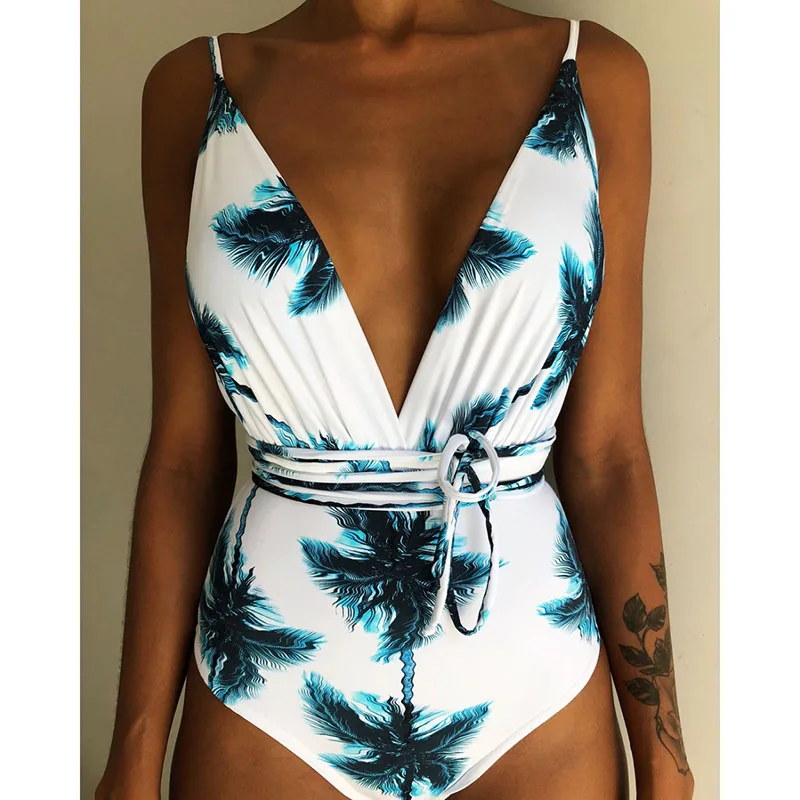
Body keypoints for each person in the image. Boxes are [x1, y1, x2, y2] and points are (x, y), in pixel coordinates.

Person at [96, 2, 694, 799]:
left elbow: (608, 457)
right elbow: (183, 462)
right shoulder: (194, 92)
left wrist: (666, 763)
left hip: (536, 710)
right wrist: (133, 757)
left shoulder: (598, 79)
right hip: (266, 701)